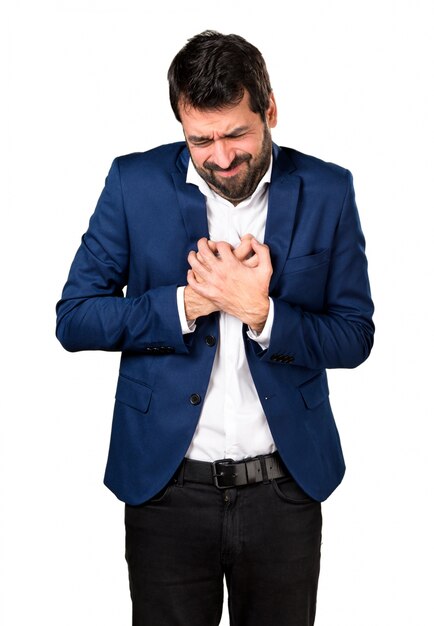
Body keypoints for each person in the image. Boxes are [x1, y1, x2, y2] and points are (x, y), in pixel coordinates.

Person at [56, 30, 374, 626]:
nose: (222, 157)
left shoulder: (329, 190)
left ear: (269, 109)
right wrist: (185, 303)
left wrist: (262, 313)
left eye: (237, 134)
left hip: (284, 489)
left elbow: (355, 334)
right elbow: (74, 318)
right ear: (181, 122)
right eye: (201, 140)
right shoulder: (134, 184)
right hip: (167, 490)